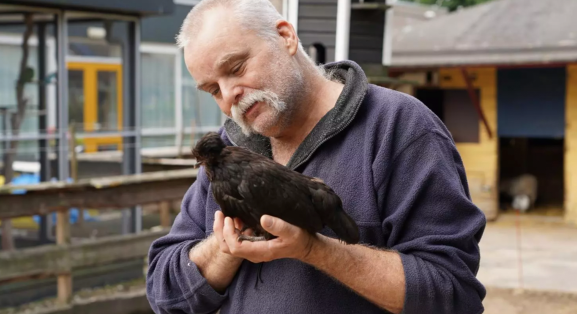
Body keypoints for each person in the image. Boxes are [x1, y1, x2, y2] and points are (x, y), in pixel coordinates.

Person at [145, 0, 487, 313]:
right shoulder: (224, 149)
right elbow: (163, 291)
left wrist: (315, 249)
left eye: (236, 68)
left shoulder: (400, 128)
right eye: (213, 89)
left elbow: (451, 294)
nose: (229, 96)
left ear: (285, 37)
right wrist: (223, 248)